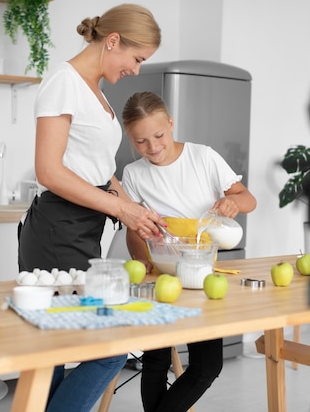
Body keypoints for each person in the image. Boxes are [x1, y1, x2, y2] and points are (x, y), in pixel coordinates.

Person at [17, 5, 164, 412]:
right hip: (57, 229)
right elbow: (49, 170)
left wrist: (137, 210)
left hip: (80, 228)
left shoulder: (94, 90)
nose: (136, 70)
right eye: (137, 59)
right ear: (113, 41)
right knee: (109, 345)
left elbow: (100, 171)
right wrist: (121, 212)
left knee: (56, 350)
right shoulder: (64, 83)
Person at [120, 91, 257, 412]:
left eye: (158, 135)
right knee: (155, 361)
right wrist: (143, 262)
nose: (152, 147)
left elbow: (248, 198)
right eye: (141, 142)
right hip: (160, 275)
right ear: (130, 139)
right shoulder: (134, 174)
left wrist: (233, 202)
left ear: (171, 124)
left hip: (199, 276)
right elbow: (134, 230)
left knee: (207, 366)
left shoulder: (203, 157)